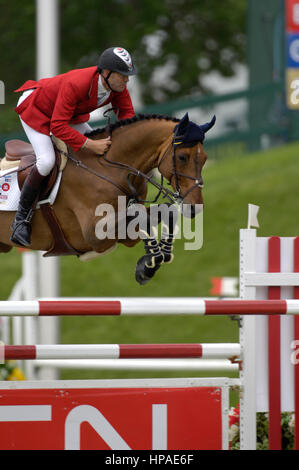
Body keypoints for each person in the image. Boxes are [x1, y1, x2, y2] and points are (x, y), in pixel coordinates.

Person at [10, 46, 137, 247]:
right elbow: (57, 127)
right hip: (36, 108)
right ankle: (20, 220)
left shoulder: (116, 88)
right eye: (123, 75)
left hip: (65, 113)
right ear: (106, 73)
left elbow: (128, 118)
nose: (127, 79)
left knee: (97, 152)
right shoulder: (77, 83)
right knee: (47, 161)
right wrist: (90, 144)